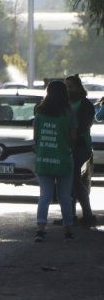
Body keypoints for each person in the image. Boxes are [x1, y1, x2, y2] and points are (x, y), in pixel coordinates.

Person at [33, 80, 76, 242]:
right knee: (65, 196)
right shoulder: (69, 112)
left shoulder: (40, 112)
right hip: (63, 159)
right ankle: (69, 230)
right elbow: (72, 137)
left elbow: (36, 136)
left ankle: (40, 230)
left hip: (44, 159)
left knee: (45, 195)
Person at [65, 75, 96, 224]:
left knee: (74, 181)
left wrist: (72, 136)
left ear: (78, 87)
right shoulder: (65, 103)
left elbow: (84, 126)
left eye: (70, 86)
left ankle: (73, 215)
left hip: (81, 147)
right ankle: (80, 214)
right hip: (67, 147)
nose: (68, 90)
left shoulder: (86, 105)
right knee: (75, 182)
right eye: (66, 87)